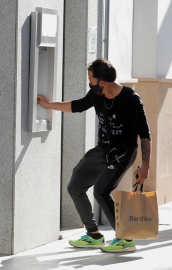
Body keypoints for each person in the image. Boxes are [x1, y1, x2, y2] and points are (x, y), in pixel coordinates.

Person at [37, 58, 151, 253]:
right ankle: (94, 235)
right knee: (75, 185)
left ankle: (125, 238)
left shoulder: (131, 99)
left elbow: (144, 135)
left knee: (101, 191)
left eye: (90, 79)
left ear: (102, 82)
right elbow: (77, 105)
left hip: (123, 154)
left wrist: (145, 165)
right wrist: (48, 106)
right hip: (103, 150)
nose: (89, 83)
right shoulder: (96, 95)